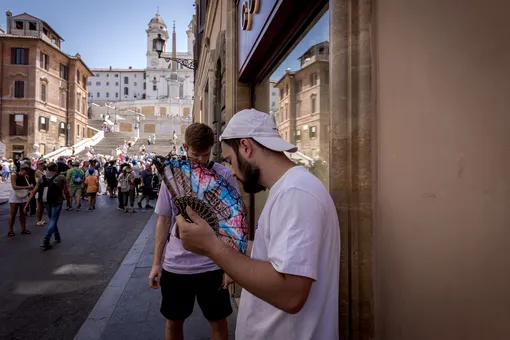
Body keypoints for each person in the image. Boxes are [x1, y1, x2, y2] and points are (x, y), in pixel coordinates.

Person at [175, 109, 341, 340]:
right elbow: (274, 257)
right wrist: (227, 241)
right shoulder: (288, 189)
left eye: (231, 161)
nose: (232, 172)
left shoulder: (296, 193)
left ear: (246, 146)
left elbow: (290, 294)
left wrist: (212, 247)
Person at [149, 123, 238, 340]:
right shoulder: (171, 177)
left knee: (218, 321)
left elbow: (232, 222)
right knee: (173, 322)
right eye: (195, 154)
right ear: (185, 147)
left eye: (205, 155)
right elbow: (164, 220)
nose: (200, 160)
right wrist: (156, 263)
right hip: (176, 265)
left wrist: (231, 266)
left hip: (213, 263)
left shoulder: (224, 175)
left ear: (212, 149)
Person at [25, 162, 70, 250]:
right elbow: (66, 191)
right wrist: (68, 201)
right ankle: (46, 239)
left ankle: (57, 236)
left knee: (52, 219)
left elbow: (34, 191)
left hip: (46, 200)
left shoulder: (42, 177)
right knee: (53, 220)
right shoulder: (61, 177)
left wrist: (27, 204)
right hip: (57, 201)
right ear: (55, 168)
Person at [7, 163, 33, 237]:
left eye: (27, 171)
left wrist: (27, 189)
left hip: (23, 195)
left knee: (23, 213)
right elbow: (14, 186)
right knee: (13, 213)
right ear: (21, 169)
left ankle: (23, 229)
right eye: (25, 171)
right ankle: (10, 230)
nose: (26, 173)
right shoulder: (14, 175)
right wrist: (27, 187)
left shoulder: (26, 176)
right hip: (15, 195)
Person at [34, 160, 47, 226]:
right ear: (37, 165)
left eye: (42, 164)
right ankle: (38, 220)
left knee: (42, 207)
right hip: (39, 190)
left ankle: (41, 219)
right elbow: (43, 178)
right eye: (40, 164)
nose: (42, 165)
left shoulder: (44, 171)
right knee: (39, 206)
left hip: (44, 189)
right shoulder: (37, 172)